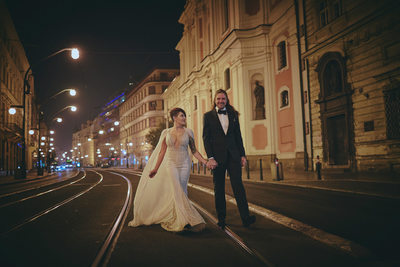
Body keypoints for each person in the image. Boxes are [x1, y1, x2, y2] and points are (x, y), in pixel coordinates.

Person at [128, 108, 207, 232]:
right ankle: (186, 220)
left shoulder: (189, 132)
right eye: (182, 116)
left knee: (182, 190)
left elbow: (194, 151)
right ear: (174, 118)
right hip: (171, 164)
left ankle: (180, 217)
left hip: (185, 164)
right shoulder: (166, 133)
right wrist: (155, 168)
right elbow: (162, 152)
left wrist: (205, 162)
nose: (184, 118)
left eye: (185, 116)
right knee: (177, 189)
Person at [203, 89, 256, 229]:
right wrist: (210, 158)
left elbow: (238, 136)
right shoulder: (208, 116)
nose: (221, 101)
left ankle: (246, 218)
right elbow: (206, 139)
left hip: (233, 156)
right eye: (218, 99)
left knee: (238, 186)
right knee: (219, 188)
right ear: (214, 100)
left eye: (223, 99)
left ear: (227, 100)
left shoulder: (233, 114)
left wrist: (242, 155)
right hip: (217, 158)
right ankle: (221, 218)